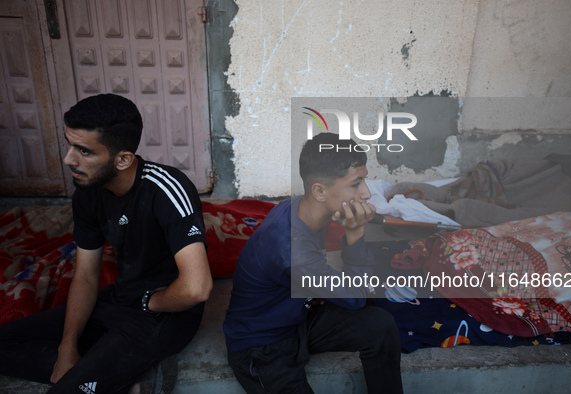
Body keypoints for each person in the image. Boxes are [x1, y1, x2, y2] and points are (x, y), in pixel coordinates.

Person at [0, 94, 212, 393]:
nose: (68, 159)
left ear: (123, 159)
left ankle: (110, 374)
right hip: (118, 299)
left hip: (163, 314)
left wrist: (150, 302)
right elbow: (86, 275)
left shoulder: (166, 189)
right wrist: (66, 348)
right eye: (70, 145)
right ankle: (125, 378)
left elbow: (196, 288)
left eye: (84, 151)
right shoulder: (88, 192)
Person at [223, 132, 403, 393]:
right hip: (262, 345)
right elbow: (356, 295)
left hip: (297, 317)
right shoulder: (291, 249)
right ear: (319, 190)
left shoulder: (302, 207)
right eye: (356, 183)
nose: (366, 193)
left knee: (380, 325)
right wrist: (355, 233)